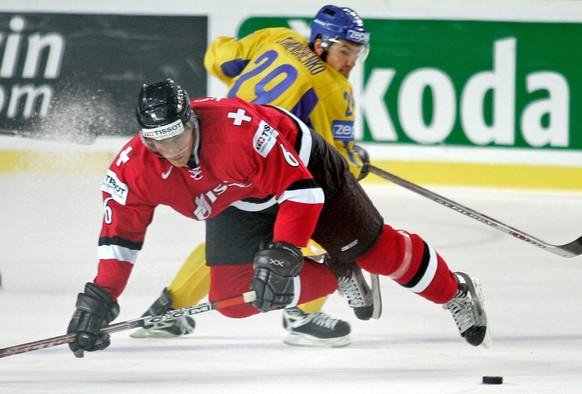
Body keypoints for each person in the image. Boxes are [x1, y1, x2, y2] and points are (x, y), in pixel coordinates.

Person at [66, 78, 489, 359]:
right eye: (158, 141)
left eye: (177, 135)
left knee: (378, 253)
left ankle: (455, 291)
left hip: (303, 170)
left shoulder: (237, 133)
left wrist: (285, 252)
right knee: (234, 299)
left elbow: (301, 192)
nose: (171, 149)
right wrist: (100, 299)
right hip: (236, 197)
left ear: (192, 120)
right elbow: (119, 239)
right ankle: (339, 272)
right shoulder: (131, 169)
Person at [129, 5, 379, 347]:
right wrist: (355, 159)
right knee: (316, 232)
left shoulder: (278, 38)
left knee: (226, 246)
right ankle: (303, 316)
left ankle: (169, 309)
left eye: (355, 53)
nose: (350, 61)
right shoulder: (334, 88)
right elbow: (337, 163)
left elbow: (219, 58)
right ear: (320, 44)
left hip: (217, 156)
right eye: (345, 51)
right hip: (267, 169)